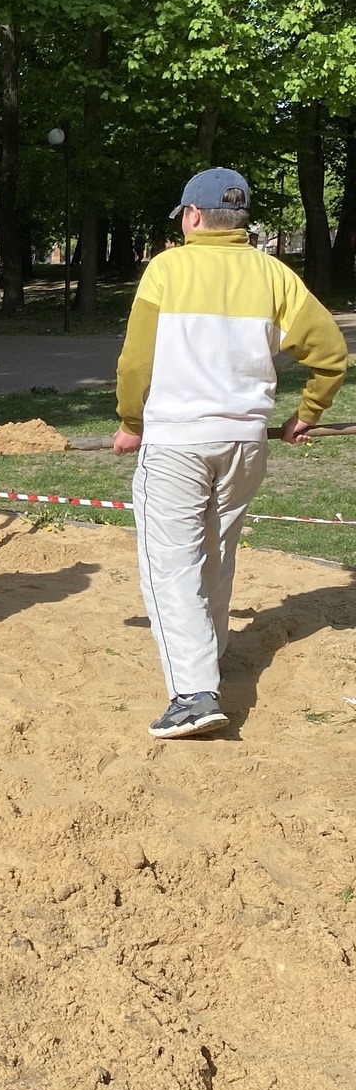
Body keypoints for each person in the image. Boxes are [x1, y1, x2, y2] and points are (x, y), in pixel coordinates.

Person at [114, 165, 348, 738]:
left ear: (194, 216)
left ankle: (193, 694)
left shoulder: (167, 268)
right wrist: (306, 413)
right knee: (215, 553)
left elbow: (136, 362)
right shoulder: (274, 274)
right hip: (244, 442)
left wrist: (131, 421)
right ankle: (209, 657)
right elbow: (330, 353)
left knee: (170, 565)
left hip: (176, 441)